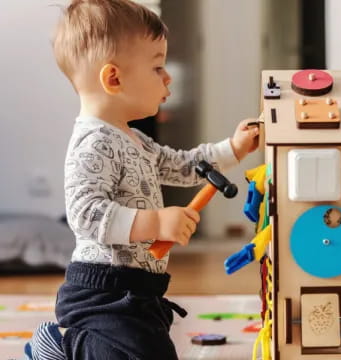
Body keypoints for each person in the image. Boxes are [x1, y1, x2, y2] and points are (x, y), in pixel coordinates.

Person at [24, 0, 259, 359]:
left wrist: (233, 148)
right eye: (158, 68)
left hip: (140, 287)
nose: (168, 79)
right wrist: (156, 222)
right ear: (113, 78)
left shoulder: (133, 138)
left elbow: (183, 165)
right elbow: (85, 214)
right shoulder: (94, 142)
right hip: (104, 289)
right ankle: (64, 344)